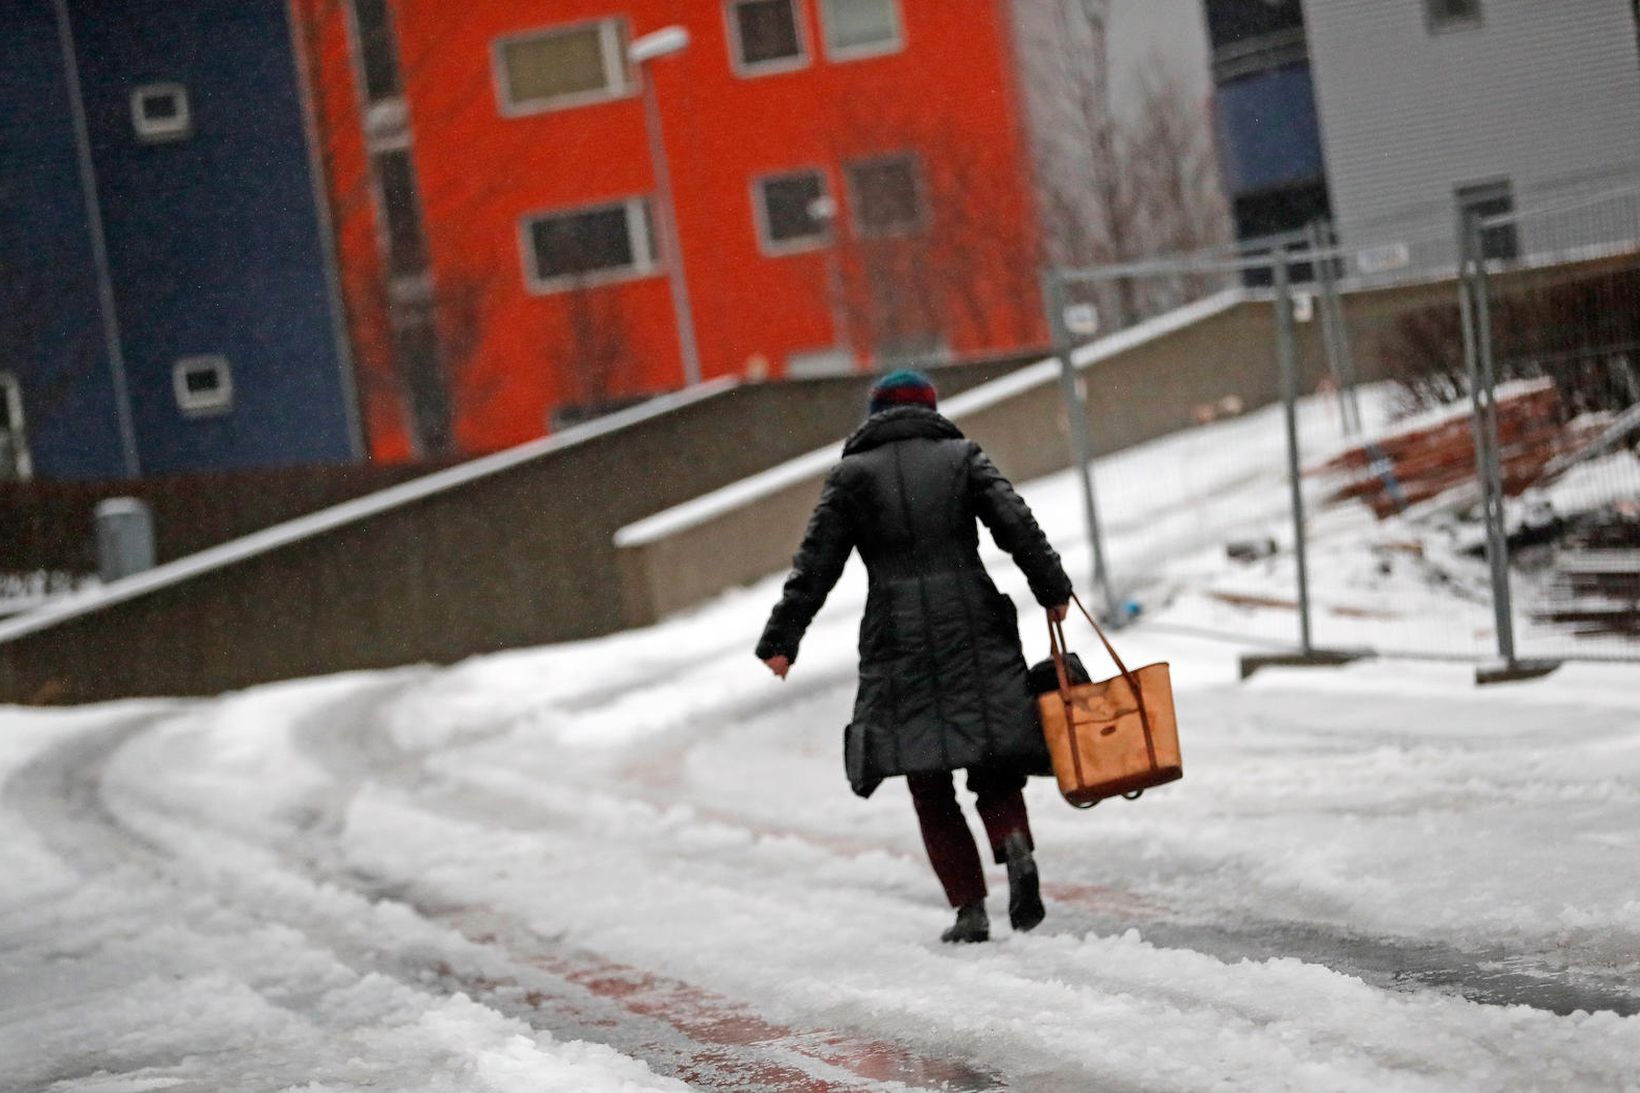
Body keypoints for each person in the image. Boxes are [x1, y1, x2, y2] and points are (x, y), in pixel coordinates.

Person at [757, 370, 1073, 943]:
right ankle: (1013, 842)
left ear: (873, 414)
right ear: (930, 409)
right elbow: (1017, 524)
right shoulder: (960, 456)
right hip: (973, 620)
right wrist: (1052, 589)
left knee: (928, 780)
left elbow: (816, 563)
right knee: (990, 754)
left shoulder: (851, 475)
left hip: (896, 635)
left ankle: (970, 910)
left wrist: (783, 639)